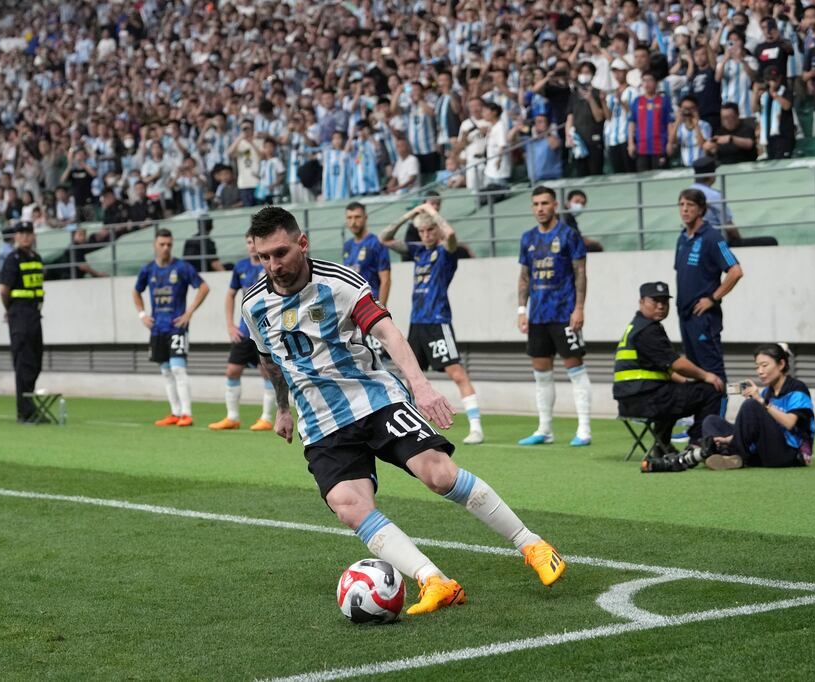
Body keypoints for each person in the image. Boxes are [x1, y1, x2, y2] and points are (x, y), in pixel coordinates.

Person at [240, 206, 566, 616]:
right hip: (321, 422)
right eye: (264, 257)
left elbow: (387, 331)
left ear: (302, 244)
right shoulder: (253, 304)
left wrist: (421, 386)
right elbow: (270, 360)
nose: (273, 265)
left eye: (281, 253)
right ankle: (435, 581)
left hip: (374, 399)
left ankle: (531, 544)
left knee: (438, 473)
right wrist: (283, 409)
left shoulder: (340, 283)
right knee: (349, 506)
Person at [380, 202, 485, 445]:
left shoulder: (447, 252)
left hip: (438, 321)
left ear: (436, 229)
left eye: (429, 230)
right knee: (409, 375)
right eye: (422, 231)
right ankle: (412, 428)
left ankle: (476, 427)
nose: (426, 235)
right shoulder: (418, 251)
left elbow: (450, 236)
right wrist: (411, 214)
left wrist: (433, 214)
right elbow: (384, 239)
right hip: (417, 323)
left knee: (456, 372)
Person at [646, 343, 814, 471]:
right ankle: (725, 452)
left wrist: (760, 401)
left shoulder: (797, 389)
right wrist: (728, 438)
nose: (760, 371)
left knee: (751, 405)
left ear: (781, 364)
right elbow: (755, 428)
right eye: (757, 366)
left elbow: (790, 423)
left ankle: (728, 454)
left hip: (787, 454)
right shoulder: (768, 392)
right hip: (763, 449)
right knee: (711, 422)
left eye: (764, 365)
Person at [612, 282, 724, 460]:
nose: (661, 305)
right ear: (641, 301)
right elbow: (677, 364)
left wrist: (688, 383)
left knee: (676, 390)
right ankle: (696, 444)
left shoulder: (636, 326)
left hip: (630, 401)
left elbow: (662, 368)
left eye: (665, 301)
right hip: (647, 400)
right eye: (655, 301)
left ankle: (662, 445)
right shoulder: (648, 331)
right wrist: (706, 376)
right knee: (711, 390)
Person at [517, 187, 593, 447]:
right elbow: (525, 277)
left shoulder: (569, 235)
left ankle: (584, 428)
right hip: (537, 315)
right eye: (536, 204)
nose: (540, 208)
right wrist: (521, 310)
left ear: (555, 205)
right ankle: (545, 429)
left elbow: (581, 272)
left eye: (545, 203)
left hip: (564, 313)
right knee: (541, 373)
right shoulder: (527, 238)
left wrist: (579, 307)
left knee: (575, 368)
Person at [132, 229, 210, 427]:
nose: (166, 248)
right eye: (162, 244)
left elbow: (203, 287)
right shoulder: (148, 269)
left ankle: (187, 413)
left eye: (169, 244)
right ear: (155, 245)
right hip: (157, 328)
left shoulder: (182, 267)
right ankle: (175, 412)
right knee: (166, 371)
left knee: (178, 369)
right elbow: (136, 291)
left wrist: (189, 312)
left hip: (177, 327)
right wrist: (142, 314)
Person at [674, 189, 744, 391]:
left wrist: (712, 298)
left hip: (703, 317)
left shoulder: (712, 237)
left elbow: (735, 271)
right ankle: (700, 420)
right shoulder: (682, 239)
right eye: (682, 205)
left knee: (713, 371)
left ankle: (718, 419)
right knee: (694, 371)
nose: (685, 209)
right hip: (686, 315)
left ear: (701, 209)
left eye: (690, 205)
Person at [209, 236, 276, 432]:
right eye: (248, 242)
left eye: (254, 242)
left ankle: (266, 417)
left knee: (267, 372)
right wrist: (230, 324)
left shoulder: (270, 265)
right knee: (232, 370)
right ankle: (232, 417)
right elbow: (230, 294)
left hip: (266, 331)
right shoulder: (240, 267)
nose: (251, 246)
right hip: (245, 331)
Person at [0, 222, 44, 423]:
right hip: (19, 314)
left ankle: (29, 405)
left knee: (35, 361)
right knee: (23, 362)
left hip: (34, 314)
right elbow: (4, 290)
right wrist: (10, 310)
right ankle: (24, 411)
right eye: (21, 233)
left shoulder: (37, 259)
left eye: (28, 233)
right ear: (16, 237)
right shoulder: (12, 259)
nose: (25, 237)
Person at [341, 202, 391, 305]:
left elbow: (385, 280)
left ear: (365, 217)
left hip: (371, 305)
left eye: (357, 217)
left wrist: (381, 308)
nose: (353, 222)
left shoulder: (376, 243)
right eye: (349, 218)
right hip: (351, 306)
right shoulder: (347, 246)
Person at [689, 157, 740, 245]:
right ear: (711, 175)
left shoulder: (688, 192)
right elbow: (728, 225)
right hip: (717, 242)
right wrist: (740, 240)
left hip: (695, 239)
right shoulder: (713, 195)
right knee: (769, 241)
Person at [628, 72, 673, 171]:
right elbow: (632, 123)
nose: (647, 83)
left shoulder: (664, 101)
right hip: (641, 148)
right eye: (644, 80)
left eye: (650, 80)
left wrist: (670, 142)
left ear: (656, 83)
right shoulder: (637, 101)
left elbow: (669, 123)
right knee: (643, 180)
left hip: (659, 147)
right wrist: (631, 143)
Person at [754, 67, 796, 160]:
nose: (772, 82)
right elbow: (754, 109)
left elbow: (787, 106)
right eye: (769, 79)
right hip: (769, 137)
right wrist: (755, 93)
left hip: (783, 137)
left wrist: (774, 93)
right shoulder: (764, 95)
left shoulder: (785, 91)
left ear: (779, 78)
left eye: (774, 79)